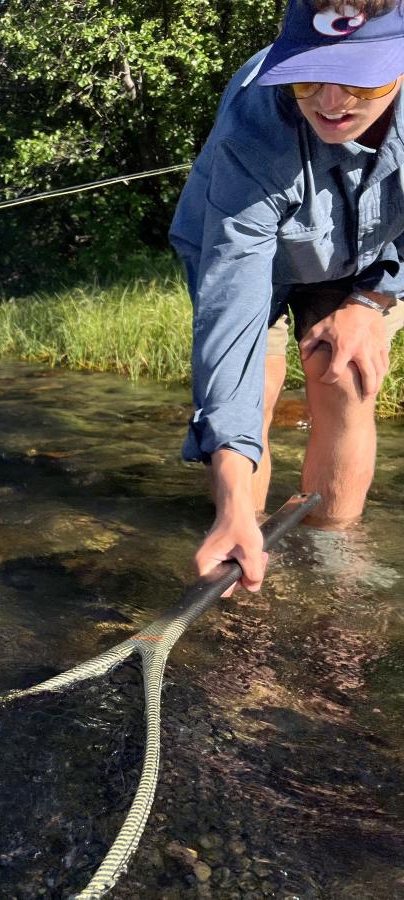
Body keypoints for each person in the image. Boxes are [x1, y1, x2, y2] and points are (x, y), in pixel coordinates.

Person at [170, 0, 404, 591]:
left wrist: (373, 301)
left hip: (368, 260)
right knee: (259, 385)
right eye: (307, 75)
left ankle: (333, 551)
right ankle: (241, 545)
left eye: (361, 78)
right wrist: (230, 498)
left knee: (344, 372)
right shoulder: (255, 129)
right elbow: (233, 322)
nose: (330, 102)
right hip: (249, 254)